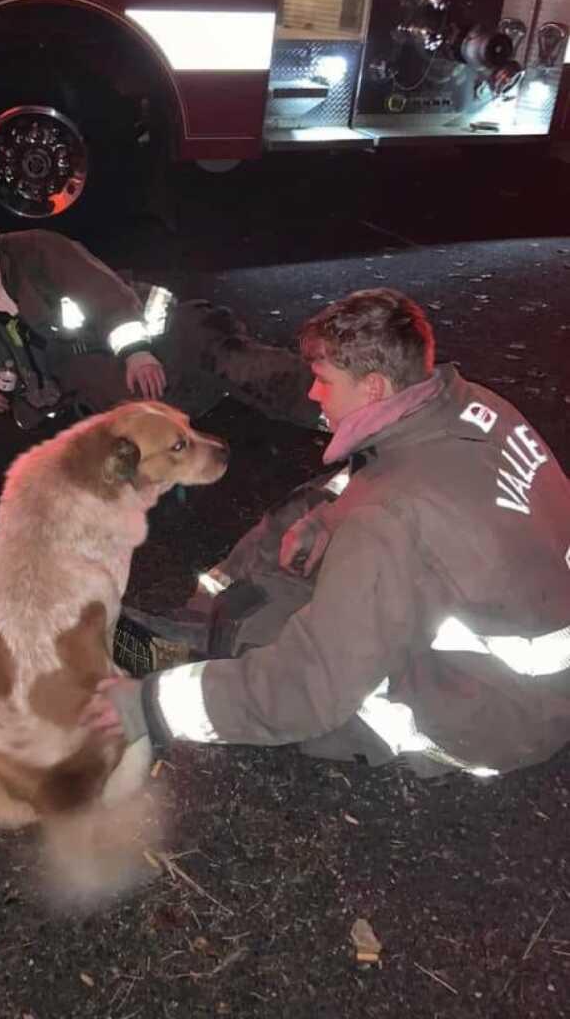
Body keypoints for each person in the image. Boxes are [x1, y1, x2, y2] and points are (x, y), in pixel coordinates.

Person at [86, 288, 570, 780]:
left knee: (278, 636)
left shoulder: (392, 523)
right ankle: (201, 619)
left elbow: (308, 687)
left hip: (497, 710)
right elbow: (391, 492)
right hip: (531, 635)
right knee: (314, 505)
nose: (314, 394)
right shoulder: (469, 406)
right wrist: (327, 520)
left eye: (323, 380)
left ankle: (214, 647)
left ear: (375, 387)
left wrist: (147, 709)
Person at [0, 194, 321, 431]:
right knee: (142, 425)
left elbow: (104, 294)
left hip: (158, 336)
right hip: (86, 380)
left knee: (229, 359)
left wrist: (136, 351)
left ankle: (337, 408)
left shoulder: (37, 250)